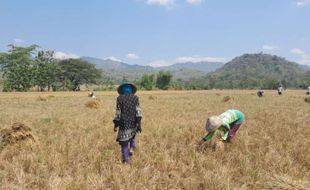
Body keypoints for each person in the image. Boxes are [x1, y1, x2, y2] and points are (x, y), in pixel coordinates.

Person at [113, 83, 142, 163]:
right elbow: (138, 112)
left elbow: (118, 113)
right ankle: (132, 149)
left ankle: (126, 160)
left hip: (124, 124)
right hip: (133, 122)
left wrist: (115, 125)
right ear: (131, 90)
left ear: (122, 90)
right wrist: (139, 124)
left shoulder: (119, 98)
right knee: (132, 136)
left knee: (124, 143)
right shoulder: (135, 98)